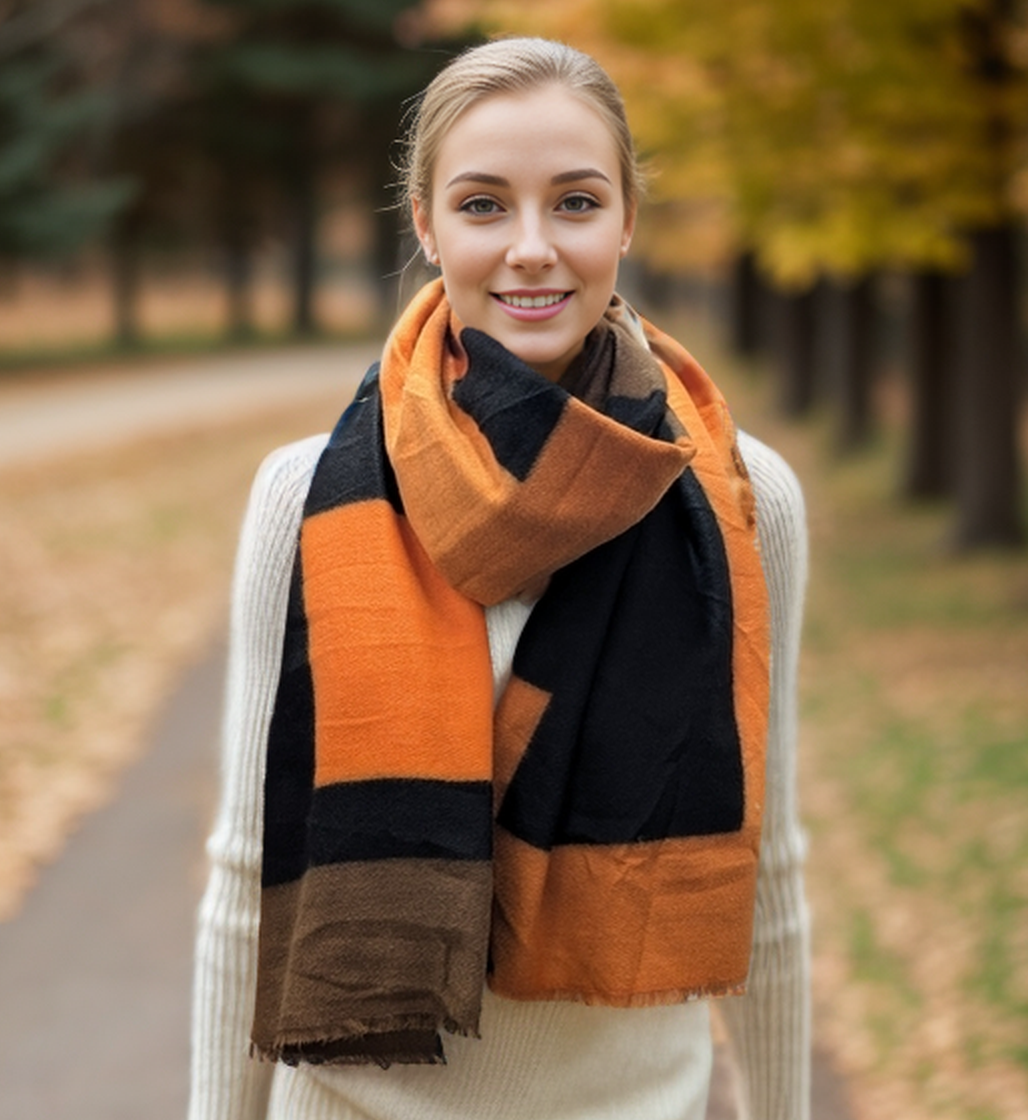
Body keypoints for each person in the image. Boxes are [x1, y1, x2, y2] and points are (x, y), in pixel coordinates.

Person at [189, 36, 810, 1120]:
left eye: (574, 203)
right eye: (484, 206)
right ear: (425, 226)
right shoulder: (306, 496)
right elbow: (246, 877)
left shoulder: (743, 499)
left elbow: (770, 875)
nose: (532, 249)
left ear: (626, 221)